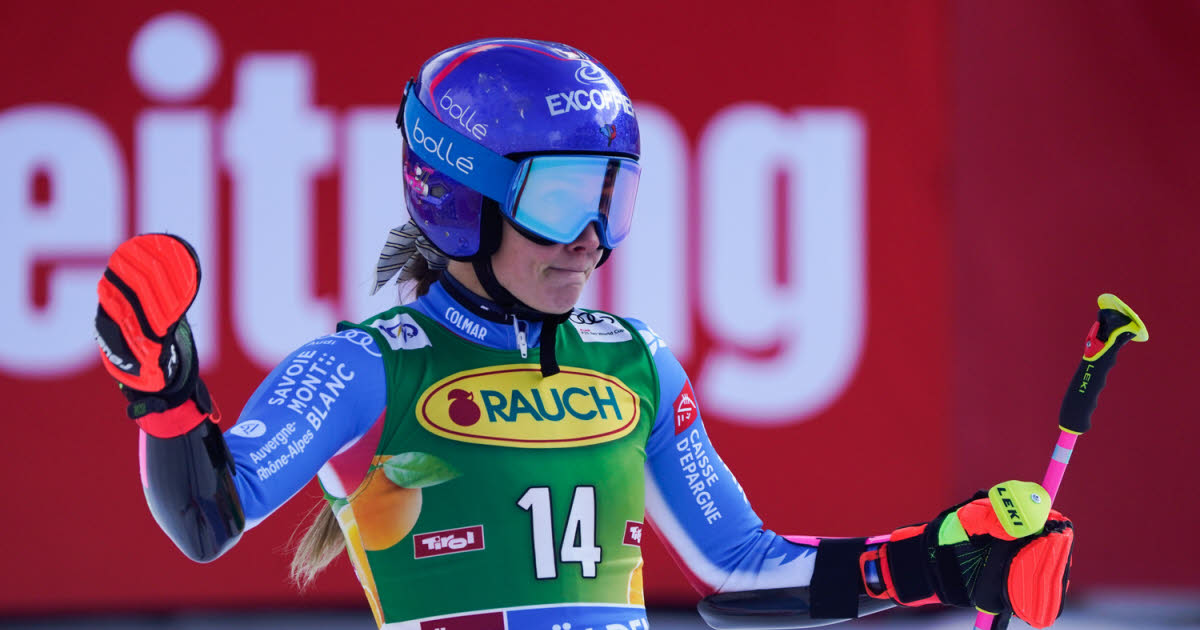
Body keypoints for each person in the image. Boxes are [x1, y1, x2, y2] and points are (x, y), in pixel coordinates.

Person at [93, 38, 1075, 630]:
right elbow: (208, 518)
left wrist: (939, 561)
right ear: (455, 199)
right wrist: (161, 392)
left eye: (615, 197)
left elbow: (738, 573)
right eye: (562, 201)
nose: (594, 241)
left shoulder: (633, 358)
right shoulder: (367, 365)